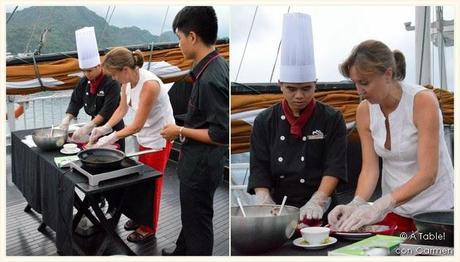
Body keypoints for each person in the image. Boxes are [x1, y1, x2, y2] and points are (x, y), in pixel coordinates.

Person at [328, 40, 454, 233]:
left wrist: (381, 204)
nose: (359, 91)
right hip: (396, 209)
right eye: (355, 83)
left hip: (437, 211)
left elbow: (428, 174)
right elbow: (370, 169)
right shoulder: (364, 111)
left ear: (387, 74)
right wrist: (356, 203)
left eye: (364, 83)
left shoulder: (422, 101)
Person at [247, 13, 347, 223]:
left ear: (316, 84)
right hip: (278, 208)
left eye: (306, 88)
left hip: (324, 210)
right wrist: (264, 199)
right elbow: (259, 166)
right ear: (280, 85)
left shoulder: (332, 118)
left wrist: (318, 200)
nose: (299, 96)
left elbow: (334, 165)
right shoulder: (265, 121)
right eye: (291, 89)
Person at [160, 6, 229, 256]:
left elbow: (220, 134)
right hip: (202, 163)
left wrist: (179, 129)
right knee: (192, 215)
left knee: (199, 223)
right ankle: (181, 252)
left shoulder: (210, 79)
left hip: (200, 165)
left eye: (179, 38)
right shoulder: (215, 65)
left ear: (192, 37)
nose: (179, 45)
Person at [89, 47, 175, 243]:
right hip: (144, 136)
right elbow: (122, 108)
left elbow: (136, 125)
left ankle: (148, 227)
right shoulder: (126, 82)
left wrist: (110, 138)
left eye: (114, 75)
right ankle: (140, 218)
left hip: (159, 138)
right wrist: (104, 128)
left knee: (153, 185)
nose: (114, 79)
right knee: (141, 182)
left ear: (125, 70)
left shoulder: (149, 85)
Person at [59, 27, 124, 151]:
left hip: (112, 128)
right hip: (94, 129)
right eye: (84, 71)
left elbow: (107, 110)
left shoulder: (112, 81)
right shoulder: (84, 81)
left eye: (89, 70)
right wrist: (67, 119)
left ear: (98, 66)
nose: (87, 74)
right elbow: (75, 101)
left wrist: (89, 126)